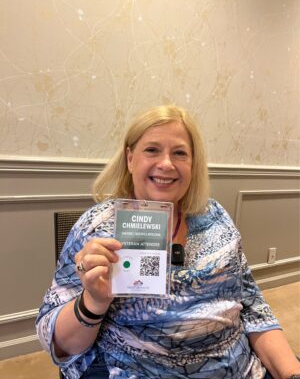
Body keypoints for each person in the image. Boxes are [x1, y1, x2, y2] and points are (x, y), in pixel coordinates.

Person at [36, 105, 300, 379]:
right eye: (152, 150)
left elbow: (251, 306)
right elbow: (57, 342)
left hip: (239, 368)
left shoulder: (216, 218)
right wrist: (92, 301)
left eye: (180, 153)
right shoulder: (96, 229)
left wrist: (292, 372)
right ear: (130, 158)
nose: (166, 164)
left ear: (193, 164)